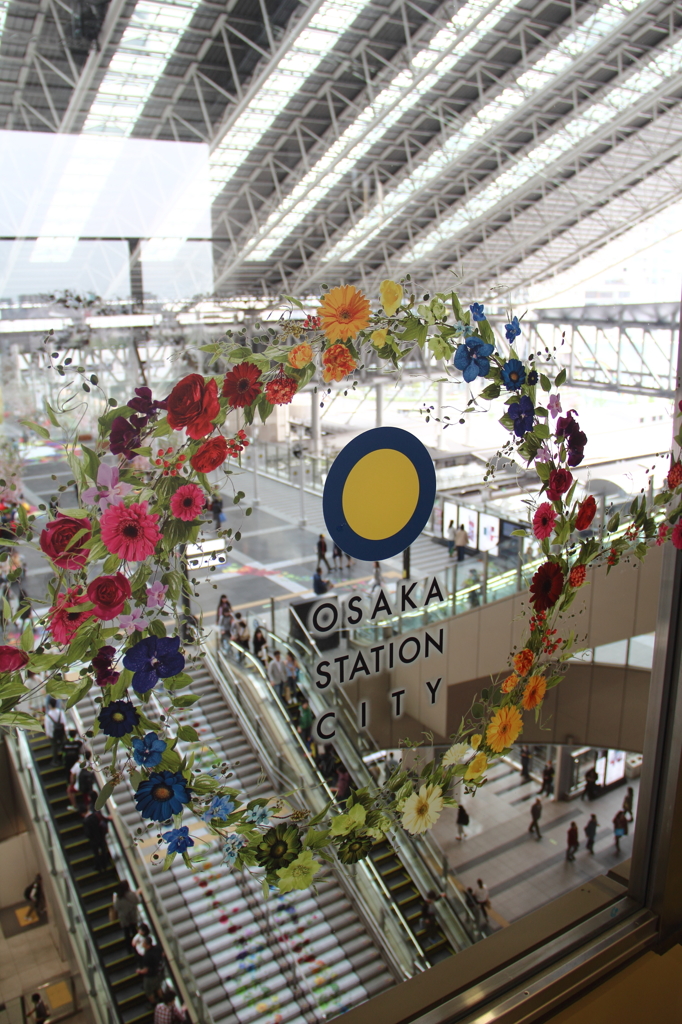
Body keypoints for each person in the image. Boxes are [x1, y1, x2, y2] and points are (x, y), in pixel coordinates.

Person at [137, 936, 164, 1004]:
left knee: (148, 990)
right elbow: (163, 954)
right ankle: (161, 999)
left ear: (147, 945)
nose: (142, 944)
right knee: (158, 986)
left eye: (143, 943)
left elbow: (146, 970)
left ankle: (153, 1003)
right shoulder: (157, 948)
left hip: (150, 976)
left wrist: (139, 971)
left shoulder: (147, 956)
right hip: (158, 972)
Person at [114, 880, 141, 948]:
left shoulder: (119, 897)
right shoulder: (131, 894)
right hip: (132, 915)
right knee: (134, 930)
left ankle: (128, 947)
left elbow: (116, 908)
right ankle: (136, 945)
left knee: (126, 932)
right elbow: (138, 901)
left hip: (124, 918)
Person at [44, 697, 67, 765]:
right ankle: (64, 758)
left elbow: (47, 726)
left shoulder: (48, 715)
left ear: (49, 705)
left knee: (54, 747)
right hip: (61, 732)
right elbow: (64, 722)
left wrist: (48, 734)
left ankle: (55, 760)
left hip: (53, 734)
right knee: (63, 744)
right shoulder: (60, 712)